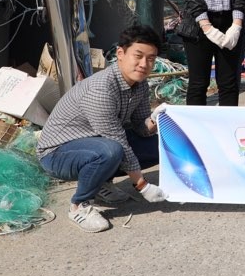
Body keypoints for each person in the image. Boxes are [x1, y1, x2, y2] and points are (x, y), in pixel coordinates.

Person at [36, 25, 168, 232]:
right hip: (57, 154)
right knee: (111, 150)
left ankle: (100, 183)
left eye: (151, 59)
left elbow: (141, 128)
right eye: (138, 56)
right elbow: (118, 140)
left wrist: (156, 118)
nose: (144, 64)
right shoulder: (101, 88)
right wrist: (142, 185)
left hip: (96, 143)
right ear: (120, 54)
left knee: (161, 144)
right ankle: (79, 205)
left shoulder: (140, 85)